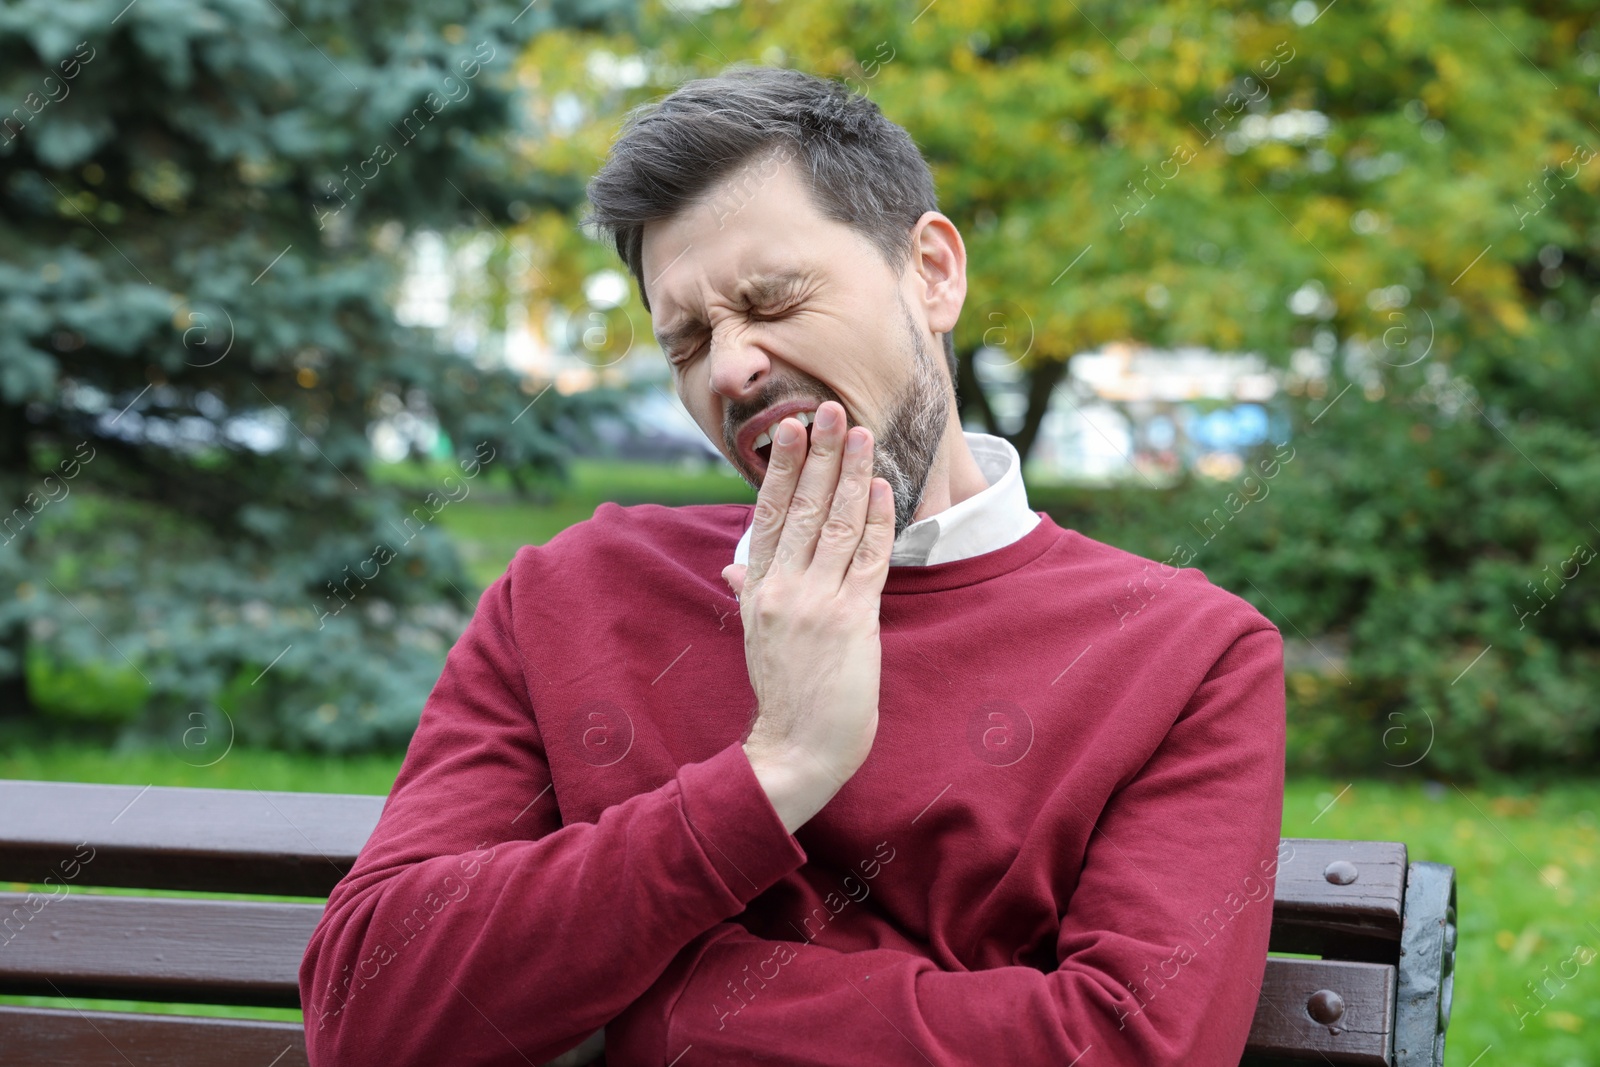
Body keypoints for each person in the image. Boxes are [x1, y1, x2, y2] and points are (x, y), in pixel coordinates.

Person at [300, 64, 1287, 1067]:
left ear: (932, 272)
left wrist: (657, 1012)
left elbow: (1126, 1045)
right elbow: (367, 1013)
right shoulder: (572, 593)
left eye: (770, 299)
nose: (729, 367)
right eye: (684, 341)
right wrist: (777, 769)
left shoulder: (1187, 655)